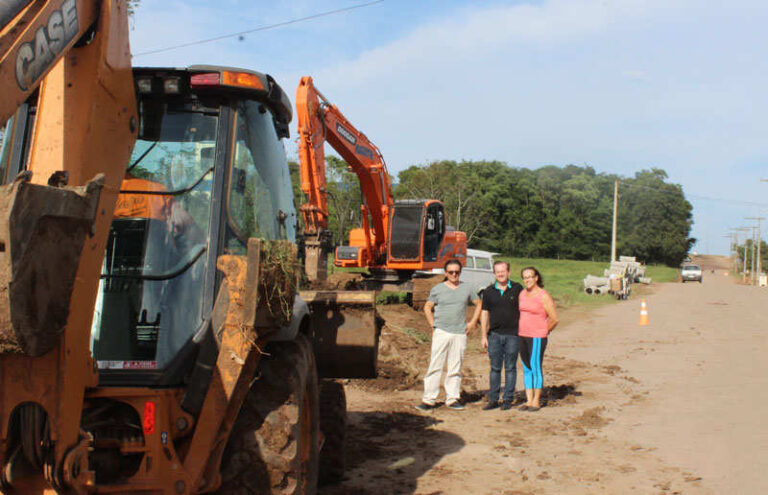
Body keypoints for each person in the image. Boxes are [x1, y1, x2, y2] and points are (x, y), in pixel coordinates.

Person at [416, 259, 482, 411]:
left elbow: (479, 303)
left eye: (457, 272)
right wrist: (433, 325)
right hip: (442, 332)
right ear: (445, 273)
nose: (454, 274)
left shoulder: (467, 288)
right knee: (435, 366)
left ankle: (452, 399)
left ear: (460, 272)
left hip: (459, 333)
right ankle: (429, 400)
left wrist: (472, 323)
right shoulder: (438, 289)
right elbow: (427, 307)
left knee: (455, 367)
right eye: (451, 272)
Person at [480, 261, 523, 411]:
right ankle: (493, 399)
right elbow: (484, 313)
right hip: (494, 335)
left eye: (503, 271)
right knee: (495, 368)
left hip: (513, 335)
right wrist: (483, 335)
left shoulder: (518, 289)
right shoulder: (488, 291)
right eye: (497, 272)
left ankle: (507, 399)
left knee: (511, 368)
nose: (500, 274)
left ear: (508, 272)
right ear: (494, 274)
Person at [518, 266, 559, 412]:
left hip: (537, 337)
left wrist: (544, 331)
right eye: (525, 277)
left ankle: (536, 400)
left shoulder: (543, 295)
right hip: (522, 335)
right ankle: (528, 400)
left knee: (535, 367)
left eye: (530, 276)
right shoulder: (522, 294)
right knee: (526, 368)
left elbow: (554, 319)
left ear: (536, 278)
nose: (527, 279)